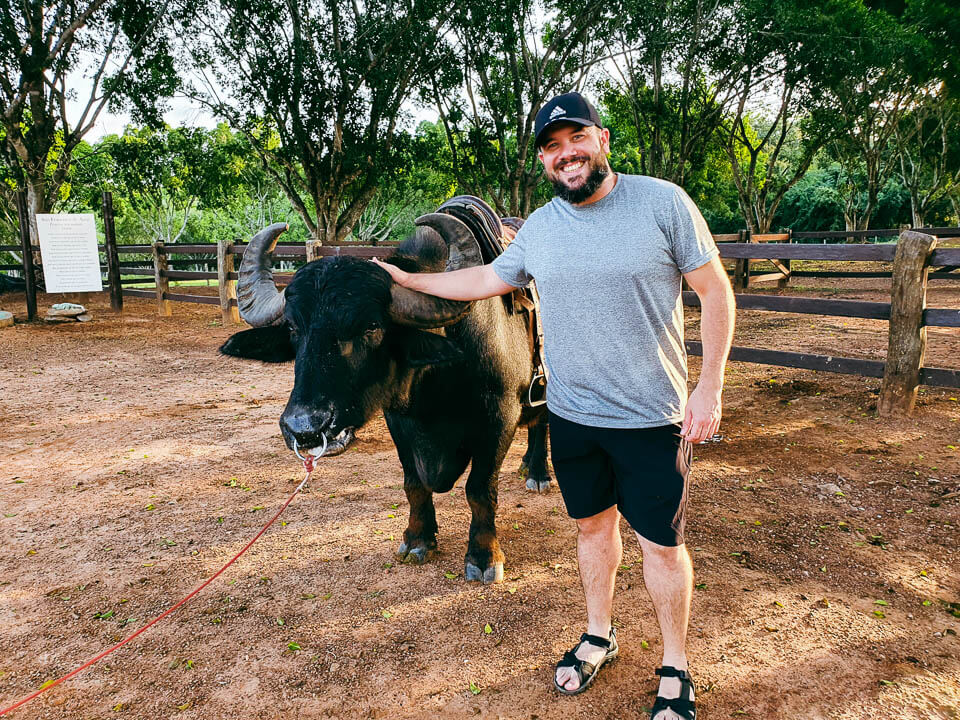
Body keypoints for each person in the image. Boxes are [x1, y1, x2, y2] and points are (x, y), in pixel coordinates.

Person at [374, 91, 735, 720]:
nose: (565, 154)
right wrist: (407, 281)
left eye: (575, 139)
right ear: (543, 159)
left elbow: (715, 291)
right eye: (551, 146)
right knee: (592, 530)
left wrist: (709, 387)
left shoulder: (663, 203)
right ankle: (600, 634)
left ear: (601, 141)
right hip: (572, 415)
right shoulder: (541, 227)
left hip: (653, 415)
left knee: (661, 546)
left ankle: (675, 664)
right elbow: (485, 281)